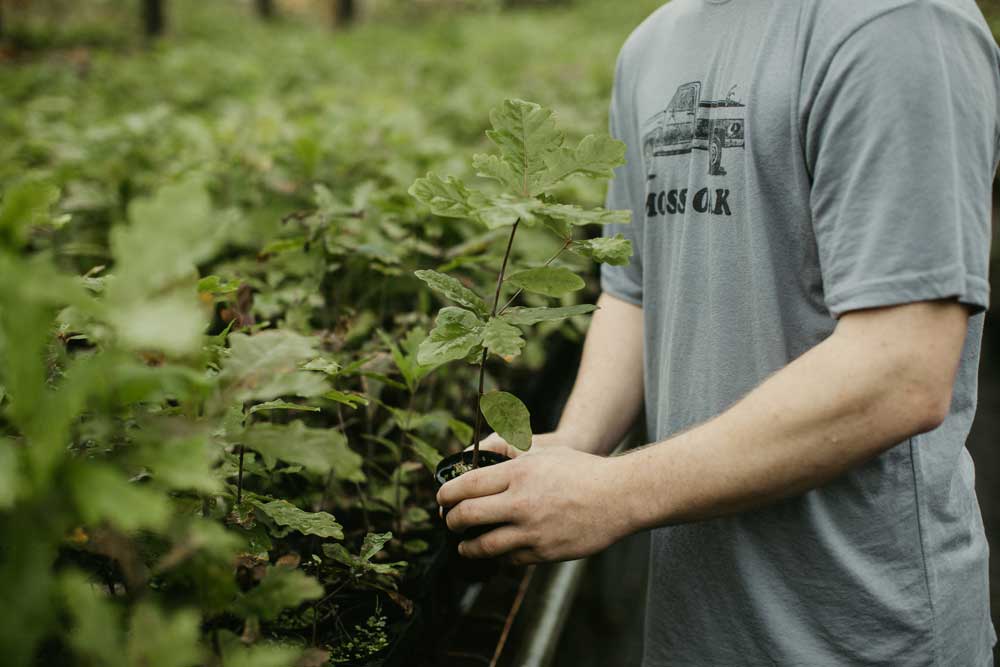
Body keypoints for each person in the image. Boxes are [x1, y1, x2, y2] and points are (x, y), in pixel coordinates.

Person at [436, 0, 1000, 664]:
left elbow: (902, 370)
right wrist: (575, 442)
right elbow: (636, 288)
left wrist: (616, 491)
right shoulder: (654, 43)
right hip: (693, 625)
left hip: (861, 632)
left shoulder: (896, 22)